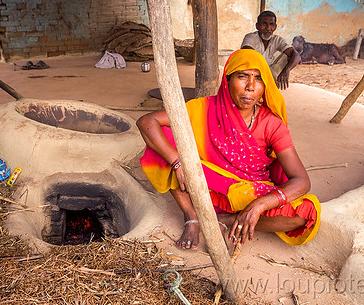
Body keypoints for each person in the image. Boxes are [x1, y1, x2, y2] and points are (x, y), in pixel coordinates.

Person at [136, 49, 320, 249]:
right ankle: (192, 215)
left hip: (251, 192)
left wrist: (259, 205)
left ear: (265, 85)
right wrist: (178, 163)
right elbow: (147, 122)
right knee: (164, 141)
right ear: (228, 80)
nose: (250, 87)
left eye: (258, 79)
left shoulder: (271, 123)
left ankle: (226, 220)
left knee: (306, 213)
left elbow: (301, 180)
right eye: (243, 77)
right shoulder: (204, 108)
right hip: (204, 186)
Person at [241, 11, 301, 90]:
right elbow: (247, 55)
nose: (268, 28)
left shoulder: (277, 39)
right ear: (257, 26)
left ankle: (270, 81)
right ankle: (267, 81)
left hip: (268, 72)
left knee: (288, 56)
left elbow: (297, 56)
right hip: (251, 72)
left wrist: (287, 70)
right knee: (250, 57)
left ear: (275, 27)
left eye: (271, 24)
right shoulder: (251, 37)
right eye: (264, 24)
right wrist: (268, 77)